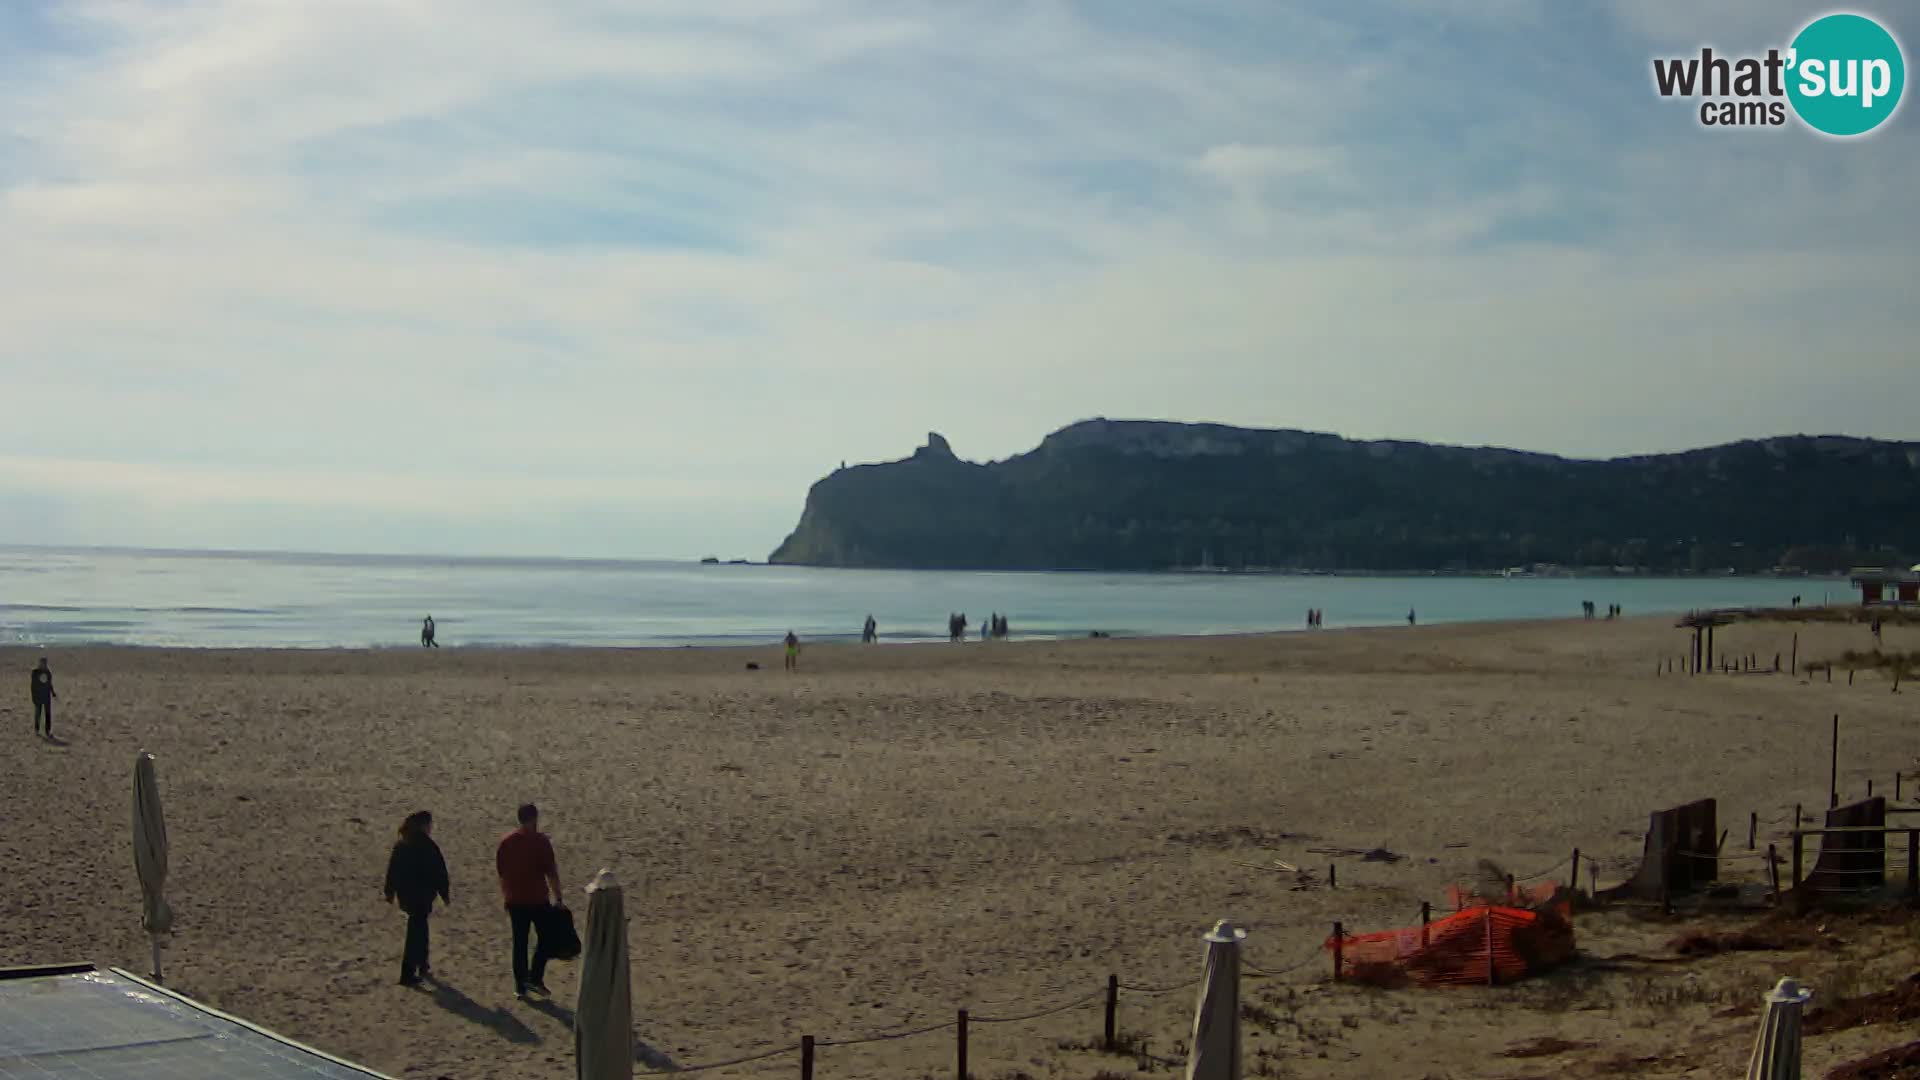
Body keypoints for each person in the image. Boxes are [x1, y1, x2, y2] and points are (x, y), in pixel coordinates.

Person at [496, 803, 562, 997]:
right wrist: (558, 897)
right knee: (546, 938)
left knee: (520, 942)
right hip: (536, 898)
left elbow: (501, 871)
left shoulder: (506, 842)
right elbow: (551, 872)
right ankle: (535, 977)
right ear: (534, 818)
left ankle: (521, 985)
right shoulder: (540, 841)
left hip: (515, 899)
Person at [383, 810, 450, 986]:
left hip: (407, 895)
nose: (431, 828)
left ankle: (423, 963)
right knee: (416, 931)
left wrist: (390, 892)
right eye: (430, 824)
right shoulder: (428, 846)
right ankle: (408, 972)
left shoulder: (403, 844)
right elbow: (439, 872)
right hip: (421, 896)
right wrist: (444, 893)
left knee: (420, 927)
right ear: (423, 826)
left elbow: (392, 870)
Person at [30, 657, 54, 737]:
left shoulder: (48, 673)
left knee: (48, 714)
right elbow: (33, 686)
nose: (44, 665)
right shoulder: (35, 673)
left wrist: (53, 692)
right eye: (42, 663)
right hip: (38, 697)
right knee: (38, 714)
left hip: (46, 697)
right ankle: (37, 730)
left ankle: (48, 731)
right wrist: (33, 697)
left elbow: (49, 683)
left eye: (45, 663)